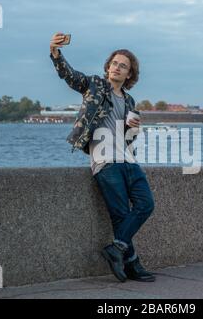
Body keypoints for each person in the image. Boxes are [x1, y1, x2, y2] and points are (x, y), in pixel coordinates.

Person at [50, 33, 156, 282]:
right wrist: (55, 52)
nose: (116, 68)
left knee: (146, 204)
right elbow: (70, 75)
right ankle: (132, 263)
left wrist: (134, 129)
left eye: (123, 66)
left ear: (129, 74)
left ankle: (116, 248)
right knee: (120, 214)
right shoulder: (95, 85)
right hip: (105, 160)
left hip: (128, 160)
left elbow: (127, 137)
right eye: (114, 63)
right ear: (108, 67)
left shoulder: (129, 100)